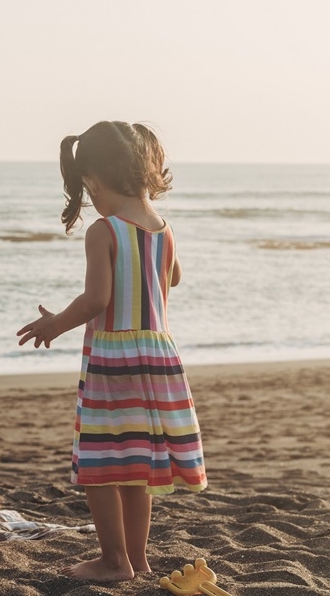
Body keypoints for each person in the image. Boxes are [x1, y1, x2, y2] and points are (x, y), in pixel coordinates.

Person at [16, 122, 206, 582]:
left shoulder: (104, 231)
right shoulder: (164, 229)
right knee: (136, 463)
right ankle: (136, 559)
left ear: (96, 180)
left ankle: (114, 560)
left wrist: (55, 324)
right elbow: (174, 277)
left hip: (115, 359)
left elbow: (97, 299)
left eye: (87, 188)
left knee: (100, 463)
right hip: (158, 359)